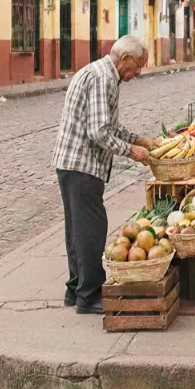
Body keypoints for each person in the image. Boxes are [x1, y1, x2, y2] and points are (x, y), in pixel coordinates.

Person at [52, 36, 154, 315]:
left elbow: (109, 125)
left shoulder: (100, 73)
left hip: (71, 164)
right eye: (139, 66)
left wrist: (140, 140)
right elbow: (99, 131)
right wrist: (131, 151)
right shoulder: (103, 78)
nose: (139, 72)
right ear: (125, 59)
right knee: (92, 230)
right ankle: (89, 295)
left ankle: (74, 289)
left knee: (76, 229)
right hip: (81, 165)